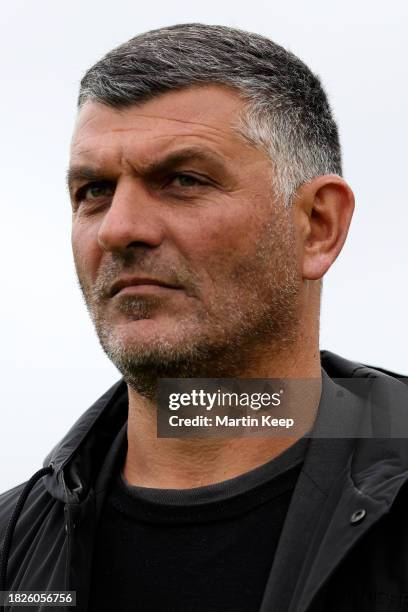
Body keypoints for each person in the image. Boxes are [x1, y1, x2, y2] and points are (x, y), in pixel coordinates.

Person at [0, 22, 407, 612]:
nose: (119, 229)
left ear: (318, 225)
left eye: (183, 180)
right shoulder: (15, 552)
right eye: (94, 190)